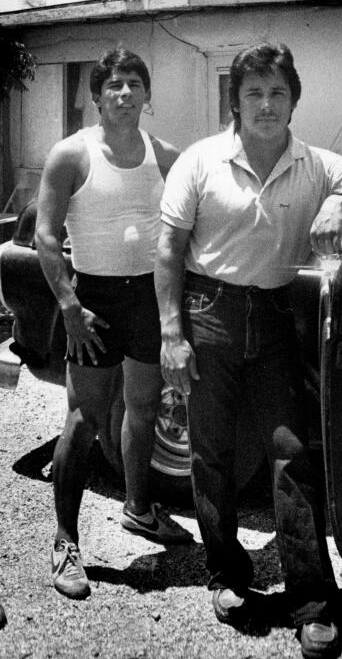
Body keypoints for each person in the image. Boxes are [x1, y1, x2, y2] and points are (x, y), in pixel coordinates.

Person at [156, 43, 342, 658]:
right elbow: (167, 253)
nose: (265, 105)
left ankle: (314, 603)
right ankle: (227, 575)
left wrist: (340, 198)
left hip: (273, 320)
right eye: (252, 94)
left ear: (294, 100)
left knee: (290, 454)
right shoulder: (200, 161)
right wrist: (171, 336)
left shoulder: (316, 164)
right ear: (234, 103)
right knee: (210, 454)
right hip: (207, 313)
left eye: (277, 93)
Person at [35, 48, 191, 601]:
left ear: (147, 96)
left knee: (144, 408)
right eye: (113, 85)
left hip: (147, 297)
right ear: (98, 96)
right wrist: (71, 307)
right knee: (84, 417)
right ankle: (65, 540)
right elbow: (46, 238)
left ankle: (138, 509)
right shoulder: (71, 155)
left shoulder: (166, 155)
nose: (124, 93)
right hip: (92, 302)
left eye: (133, 84)